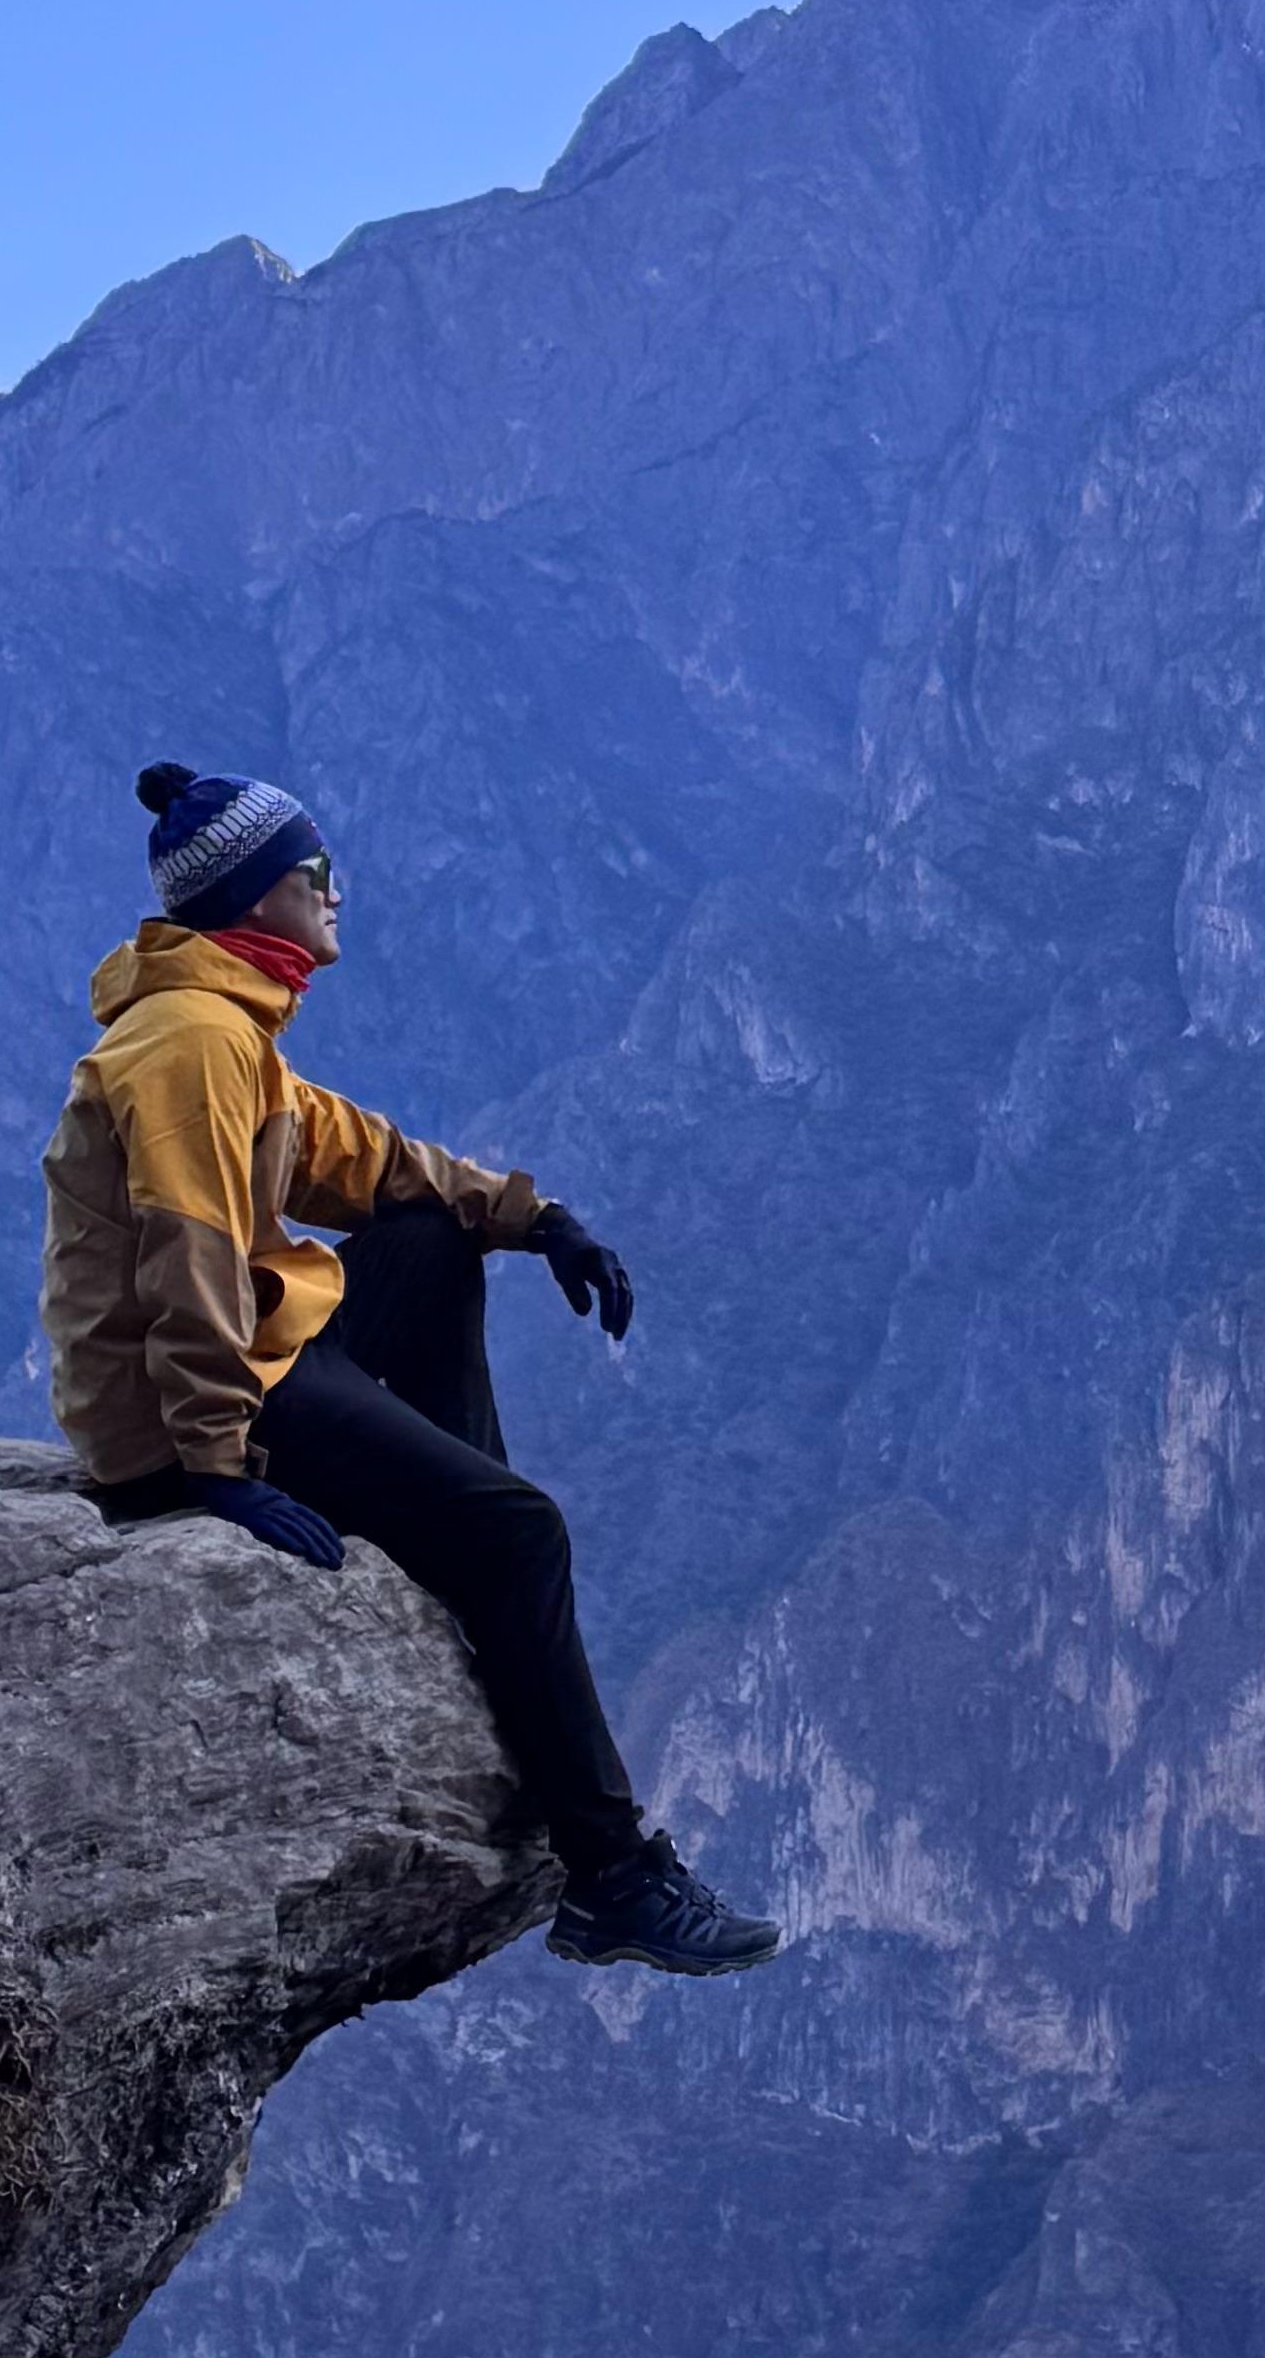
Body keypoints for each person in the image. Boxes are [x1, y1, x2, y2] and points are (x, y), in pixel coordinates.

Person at [38, 760, 782, 1977]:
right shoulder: (191, 1047)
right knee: (525, 1532)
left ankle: (459, 1533)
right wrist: (211, 1468)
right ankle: (613, 1879)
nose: (338, 891)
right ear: (254, 895)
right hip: (193, 1402)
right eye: (316, 873)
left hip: (245, 1351)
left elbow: (361, 1158)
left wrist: (535, 1218)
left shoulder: (230, 1025)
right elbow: (189, 1263)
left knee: (426, 1242)